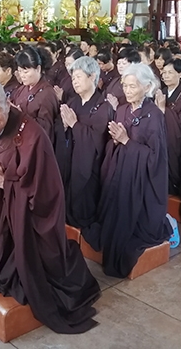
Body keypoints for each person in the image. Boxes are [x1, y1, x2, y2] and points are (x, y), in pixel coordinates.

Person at [0, 78, 101, 334]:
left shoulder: (31, 134)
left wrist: (5, 182)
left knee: (35, 270)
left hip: (32, 214)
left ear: (8, 103)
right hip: (5, 205)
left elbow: (46, 191)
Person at [84, 63, 173, 278]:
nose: (127, 90)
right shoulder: (122, 109)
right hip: (120, 171)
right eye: (125, 85)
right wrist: (115, 141)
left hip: (141, 181)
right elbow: (114, 141)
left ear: (147, 87)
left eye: (133, 86)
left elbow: (155, 158)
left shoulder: (154, 116)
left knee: (131, 233)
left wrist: (126, 141)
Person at [54, 56, 111, 232]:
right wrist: (63, 126)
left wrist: (75, 125)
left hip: (89, 168)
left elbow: (98, 141)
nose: (74, 82)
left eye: (78, 77)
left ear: (92, 76)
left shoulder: (103, 106)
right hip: (69, 162)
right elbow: (60, 130)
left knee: (84, 200)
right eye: (73, 78)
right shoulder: (73, 102)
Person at [157, 58, 181, 195]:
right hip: (161, 135)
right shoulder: (162, 92)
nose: (165, 76)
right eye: (164, 73)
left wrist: (163, 109)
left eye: (170, 73)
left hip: (177, 140)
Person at [11, 46, 58, 142]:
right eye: (20, 71)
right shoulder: (22, 88)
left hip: (36, 143)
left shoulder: (47, 94)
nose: (22, 75)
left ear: (38, 69)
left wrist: (21, 115)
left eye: (26, 71)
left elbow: (45, 129)